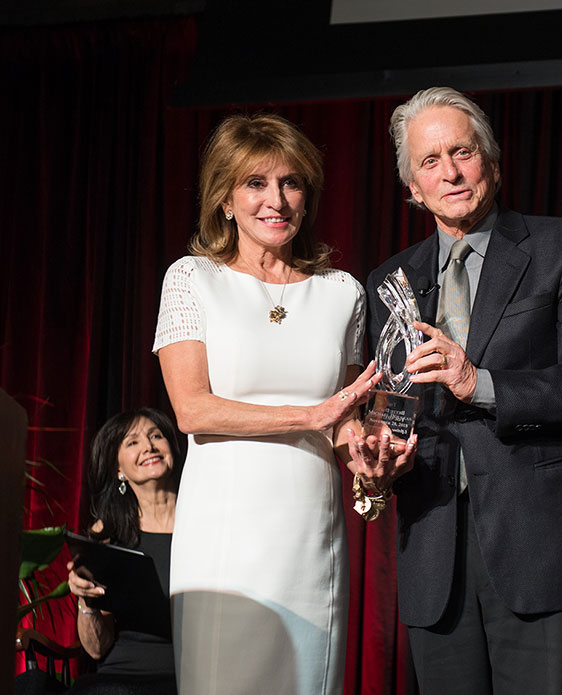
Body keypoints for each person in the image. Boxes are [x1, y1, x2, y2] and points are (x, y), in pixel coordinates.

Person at [366, 87, 562, 695]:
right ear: (412, 187)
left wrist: (477, 383)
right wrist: (378, 455)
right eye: (430, 161)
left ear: (494, 164)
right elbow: (394, 409)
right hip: (435, 554)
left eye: (462, 152)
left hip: (544, 551)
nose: (450, 172)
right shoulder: (391, 281)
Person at [153, 113, 413, 695]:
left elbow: (345, 419)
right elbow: (193, 411)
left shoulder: (342, 293)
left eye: (291, 183)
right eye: (255, 183)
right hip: (223, 538)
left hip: (311, 536)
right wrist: (309, 416)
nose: (277, 199)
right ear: (224, 199)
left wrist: (370, 458)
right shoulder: (192, 279)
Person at [66, 407, 184, 695]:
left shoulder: (205, 519)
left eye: (156, 436)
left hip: (195, 675)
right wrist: (86, 600)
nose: (149, 447)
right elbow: (96, 649)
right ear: (118, 469)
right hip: (121, 678)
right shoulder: (107, 532)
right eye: (132, 442)